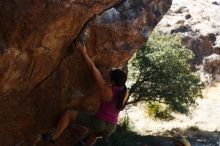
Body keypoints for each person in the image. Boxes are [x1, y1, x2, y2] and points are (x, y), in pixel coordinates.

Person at [42, 42, 129, 146]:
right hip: (111, 127)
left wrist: (83, 52)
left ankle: (53, 137)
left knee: (69, 114)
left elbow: (93, 68)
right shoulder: (126, 92)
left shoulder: (105, 89)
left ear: (113, 81)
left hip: (99, 122)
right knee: (96, 134)